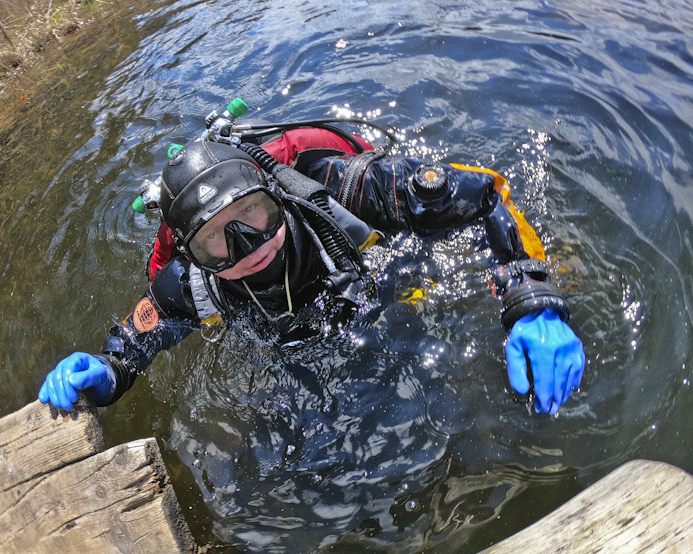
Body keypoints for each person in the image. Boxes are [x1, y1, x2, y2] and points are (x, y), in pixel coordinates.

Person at [39, 111, 585, 416]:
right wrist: (105, 374)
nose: (247, 245)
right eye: (215, 242)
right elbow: (133, 348)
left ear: (275, 193)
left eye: (253, 213)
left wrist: (531, 299)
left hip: (379, 276)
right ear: (191, 257)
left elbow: (484, 197)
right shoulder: (188, 283)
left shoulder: (340, 189)